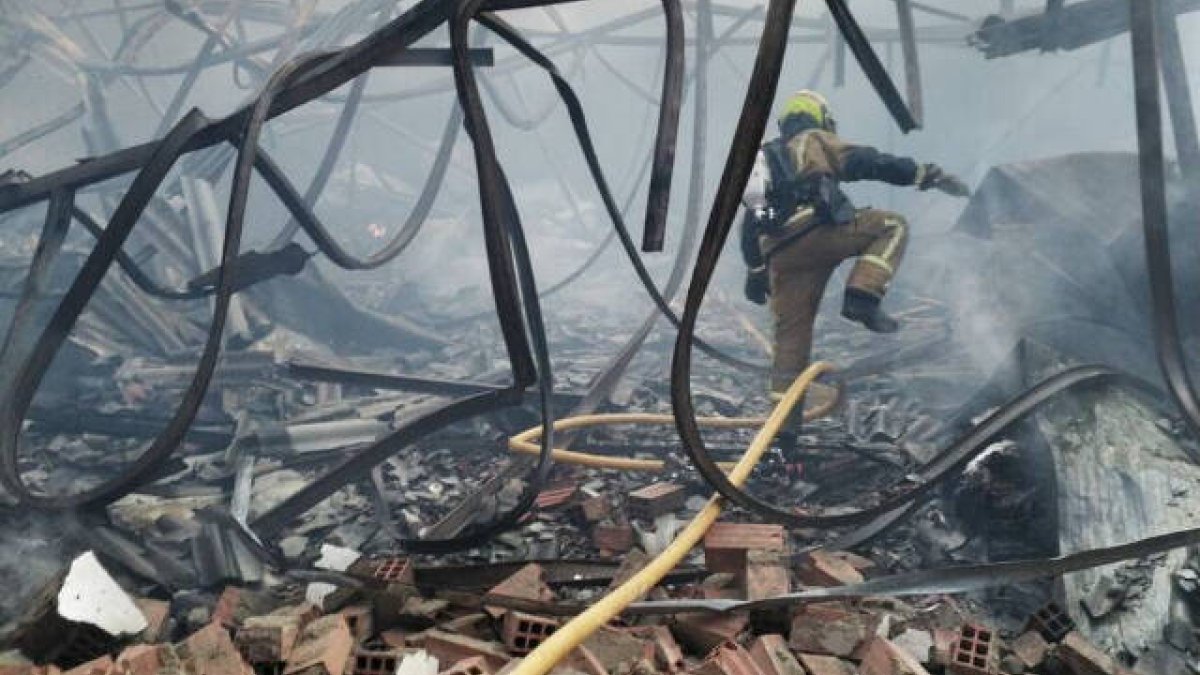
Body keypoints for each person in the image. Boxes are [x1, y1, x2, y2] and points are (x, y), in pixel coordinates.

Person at [740, 90, 970, 398]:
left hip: (781, 254)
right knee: (892, 226)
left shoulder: (762, 159)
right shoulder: (813, 140)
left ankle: (783, 434)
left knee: (789, 344)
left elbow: (749, 222)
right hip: (818, 232)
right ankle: (863, 296)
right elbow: (867, 162)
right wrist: (925, 175)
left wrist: (755, 271)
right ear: (820, 119)